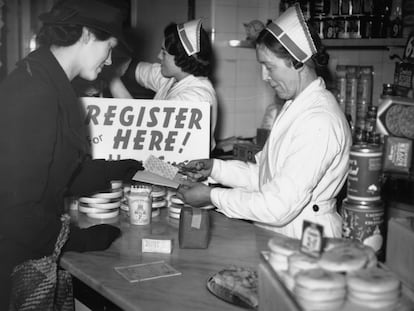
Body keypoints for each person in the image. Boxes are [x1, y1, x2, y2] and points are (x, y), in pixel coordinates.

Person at [0, 0, 143, 308]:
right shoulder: (35, 92)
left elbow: (51, 175)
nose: (108, 61)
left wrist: (114, 170)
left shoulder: (44, 78)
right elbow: (15, 210)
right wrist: (80, 240)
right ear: (88, 35)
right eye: (110, 47)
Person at [177, 3, 352, 239]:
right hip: (282, 236)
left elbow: (277, 206)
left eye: (269, 67)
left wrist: (211, 196)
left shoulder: (319, 121)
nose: (265, 77)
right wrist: (215, 168)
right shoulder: (294, 106)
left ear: (298, 62)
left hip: (307, 239)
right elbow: (263, 177)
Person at [109, 19, 218, 151]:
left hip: (179, 170)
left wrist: (110, 79)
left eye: (164, 53)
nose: (158, 56)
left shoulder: (194, 98)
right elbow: (136, 69)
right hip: (163, 165)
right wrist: (106, 61)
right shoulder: (175, 78)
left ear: (181, 58)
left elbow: (139, 128)